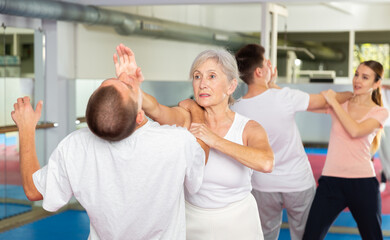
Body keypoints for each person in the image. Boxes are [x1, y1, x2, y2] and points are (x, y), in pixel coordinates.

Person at [11, 44, 209, 240]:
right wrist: (197, 111)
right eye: (126, 87)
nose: (124, 81)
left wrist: (26, 128)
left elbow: (33, 190)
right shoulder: (174, 142)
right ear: (139, 115)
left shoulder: (76, 146)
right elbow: (201, 152)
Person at [114, 44, 274, 240]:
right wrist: (132, 87)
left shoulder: (248, 128)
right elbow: (157, 110)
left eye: (212, 76)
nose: (202, 83)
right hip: (191, 221)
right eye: (197, 76)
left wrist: (213, 140)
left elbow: (266, 162)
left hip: (238, 222)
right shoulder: (188, 117)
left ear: (231, 86)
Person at [231, 43, 352, 240]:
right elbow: (328, 100)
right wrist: (355, 94)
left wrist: (272, 85)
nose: (272, 66)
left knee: (266, 235)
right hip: (298, 182)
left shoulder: (237, 109)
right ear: (260, 71)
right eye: (268, 63)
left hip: (263, 184)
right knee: (305, 235)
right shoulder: (285, 96)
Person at [303, 60, 389, 240]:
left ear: (376, 84)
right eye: (357, 74)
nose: (357, 80)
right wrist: (272, 88)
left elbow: (355, 130)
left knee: (373, 237)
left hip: (363, 184)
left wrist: (334, 101)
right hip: (331, 183)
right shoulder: (341, 103)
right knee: (311, 236)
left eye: (365, 77)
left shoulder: (380, 112)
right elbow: (306, 104)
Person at [379, 84, 390, 192]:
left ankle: (384, 178)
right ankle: (383, 178)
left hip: (386, 124)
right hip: (377, 124)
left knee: (387, 154)